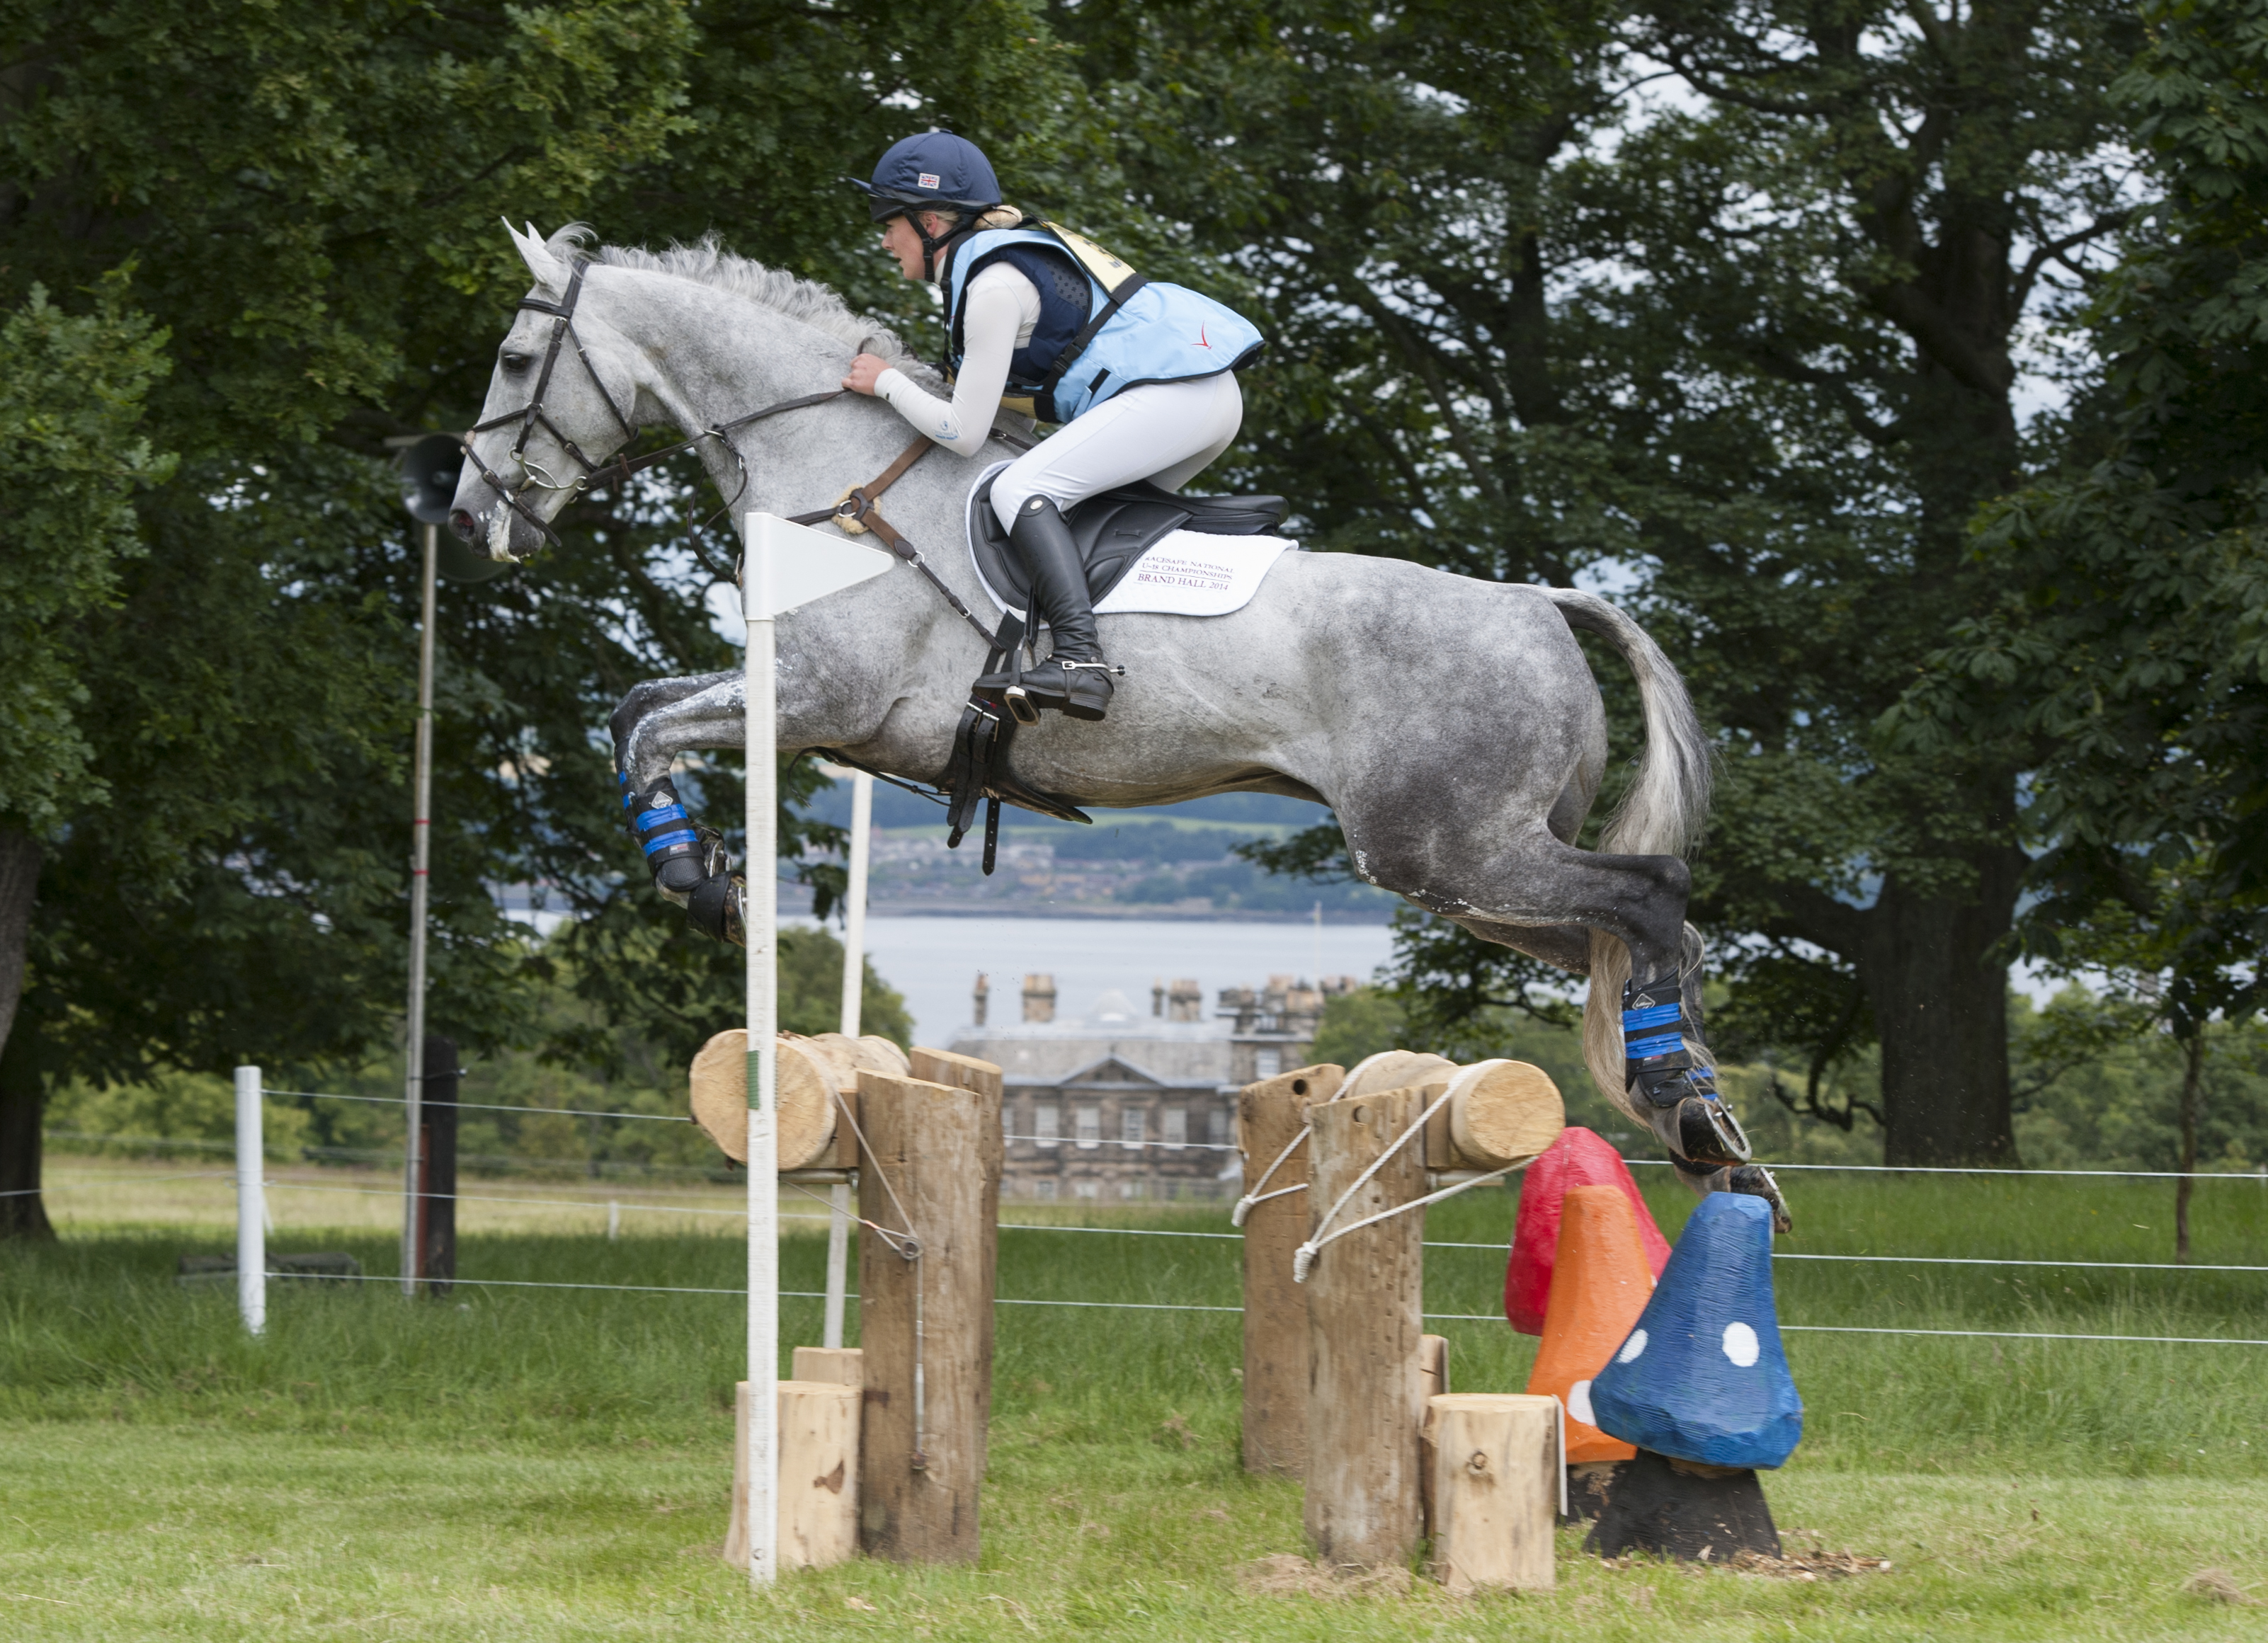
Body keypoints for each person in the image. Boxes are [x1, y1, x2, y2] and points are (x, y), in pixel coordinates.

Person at [843, 132, 1263, 721]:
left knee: (1019, 490)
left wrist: (886, 381)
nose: (885, 240)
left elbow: (964, 434)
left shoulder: (992, 285)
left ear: (930, 222)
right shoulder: (999, 266)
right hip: (1199, 398)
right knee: (1076, 519)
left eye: (889, 223)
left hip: (1178, 396)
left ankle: (1079, 660)